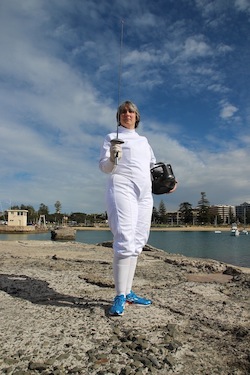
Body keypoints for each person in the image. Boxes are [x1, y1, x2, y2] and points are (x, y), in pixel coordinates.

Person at [99, 100, 176, 316]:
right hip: (121, 186)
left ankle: (129, 291)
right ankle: (119, 295)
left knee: (138, 240)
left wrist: (169, 182)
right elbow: (104, 167)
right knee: (124, 236)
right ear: (119, 117)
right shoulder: (111, 137)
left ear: (137, 116)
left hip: (144, 192)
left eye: (130, 111)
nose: (127, 114)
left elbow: (153, 167)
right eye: (123, 112)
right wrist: (113, 157)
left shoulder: (144, 141)